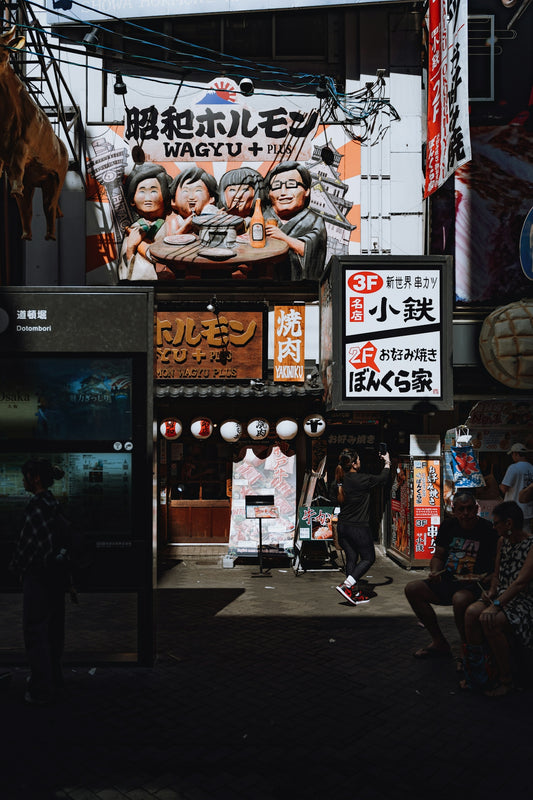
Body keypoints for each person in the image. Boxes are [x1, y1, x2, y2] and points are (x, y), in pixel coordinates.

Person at [405, 492, 499, 659]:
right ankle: (439, 641)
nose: (466, 513)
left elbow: (498, 564)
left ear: (476, 509)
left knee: (460, 599)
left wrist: (490, 578)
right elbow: (438, 556)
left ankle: (466, 649)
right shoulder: (448, 526)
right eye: (461, 509)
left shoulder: (488, 530)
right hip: (448, 580)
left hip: (475, 585)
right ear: (454, 510)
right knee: (412, 589)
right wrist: (435, 571)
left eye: (469, 509)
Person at [9, 459, 69, 705]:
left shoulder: (36, 505)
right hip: (56, 575)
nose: (23, 480)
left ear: (34, 478)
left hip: (38, 576)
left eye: (25, 476)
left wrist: (16, 567)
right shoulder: (53, 502)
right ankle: (55, 680)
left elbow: (28, 546)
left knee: (35, 631)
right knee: (53, 631)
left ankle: (40, 688)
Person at [461, 501, 533, 696]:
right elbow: (497, 573)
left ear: (509, 523)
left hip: (523, 601)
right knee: (471, 613)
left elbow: (520, 583)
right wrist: (492, 591)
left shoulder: (531, 545)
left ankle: (506, 679)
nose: (494, 527)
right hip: (501, 596)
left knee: (490, 620)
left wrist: (497, 605)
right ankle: (478, 674)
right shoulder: (503, 541)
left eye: (496, 523)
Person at [330, 447, 390, 605]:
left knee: (352, 558)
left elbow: (333, 500)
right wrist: (387, 462)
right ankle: (347, 585)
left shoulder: (338, 481)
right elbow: (383, 479)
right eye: (358, 460)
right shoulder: (362, 479)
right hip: (358, 528)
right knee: (368, 558)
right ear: (354, 464)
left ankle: (353, 593)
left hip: (342, 527)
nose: (360, 462)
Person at [264, 161, 327, 281]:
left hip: (299, 285)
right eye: (276, 186)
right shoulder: (261, 218)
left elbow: (312, 251)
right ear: (269, 193)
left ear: (307, 190)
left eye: (291, 185)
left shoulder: (313, 220)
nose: (283, 192)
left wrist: (283, 237)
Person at [118, 163, 172, 281]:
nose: (148, 198)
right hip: (137, 282)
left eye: (153, 191)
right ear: (132, 200)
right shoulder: (134, 228)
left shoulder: (169, 225)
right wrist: (131, 246)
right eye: (142, 191)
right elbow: (123, 267)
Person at [167, 166, 219, 234]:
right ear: (173, 201)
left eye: (198, 190)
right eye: (185, 191)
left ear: (211, 198)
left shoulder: (211, 218)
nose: (191, 197)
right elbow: (171, 239)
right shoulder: (175, 221)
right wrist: (185, 228)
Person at [499, 443, 533, 533]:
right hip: (528, 509)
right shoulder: (531, 468)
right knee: (526, 534)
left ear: (516, 454)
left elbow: (504, 488)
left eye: (512, 454)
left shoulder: (513, 468)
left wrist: (499, 486)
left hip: (513, 509)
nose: (512, 457)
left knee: (512, 534)